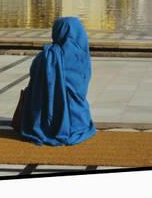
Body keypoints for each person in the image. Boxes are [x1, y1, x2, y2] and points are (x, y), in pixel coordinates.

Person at [12, 17, 96, 146]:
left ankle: (45, 125)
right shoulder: (83, 58)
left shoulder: (45, 57)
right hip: (78, 122)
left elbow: (34, 79)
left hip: (42, 120)